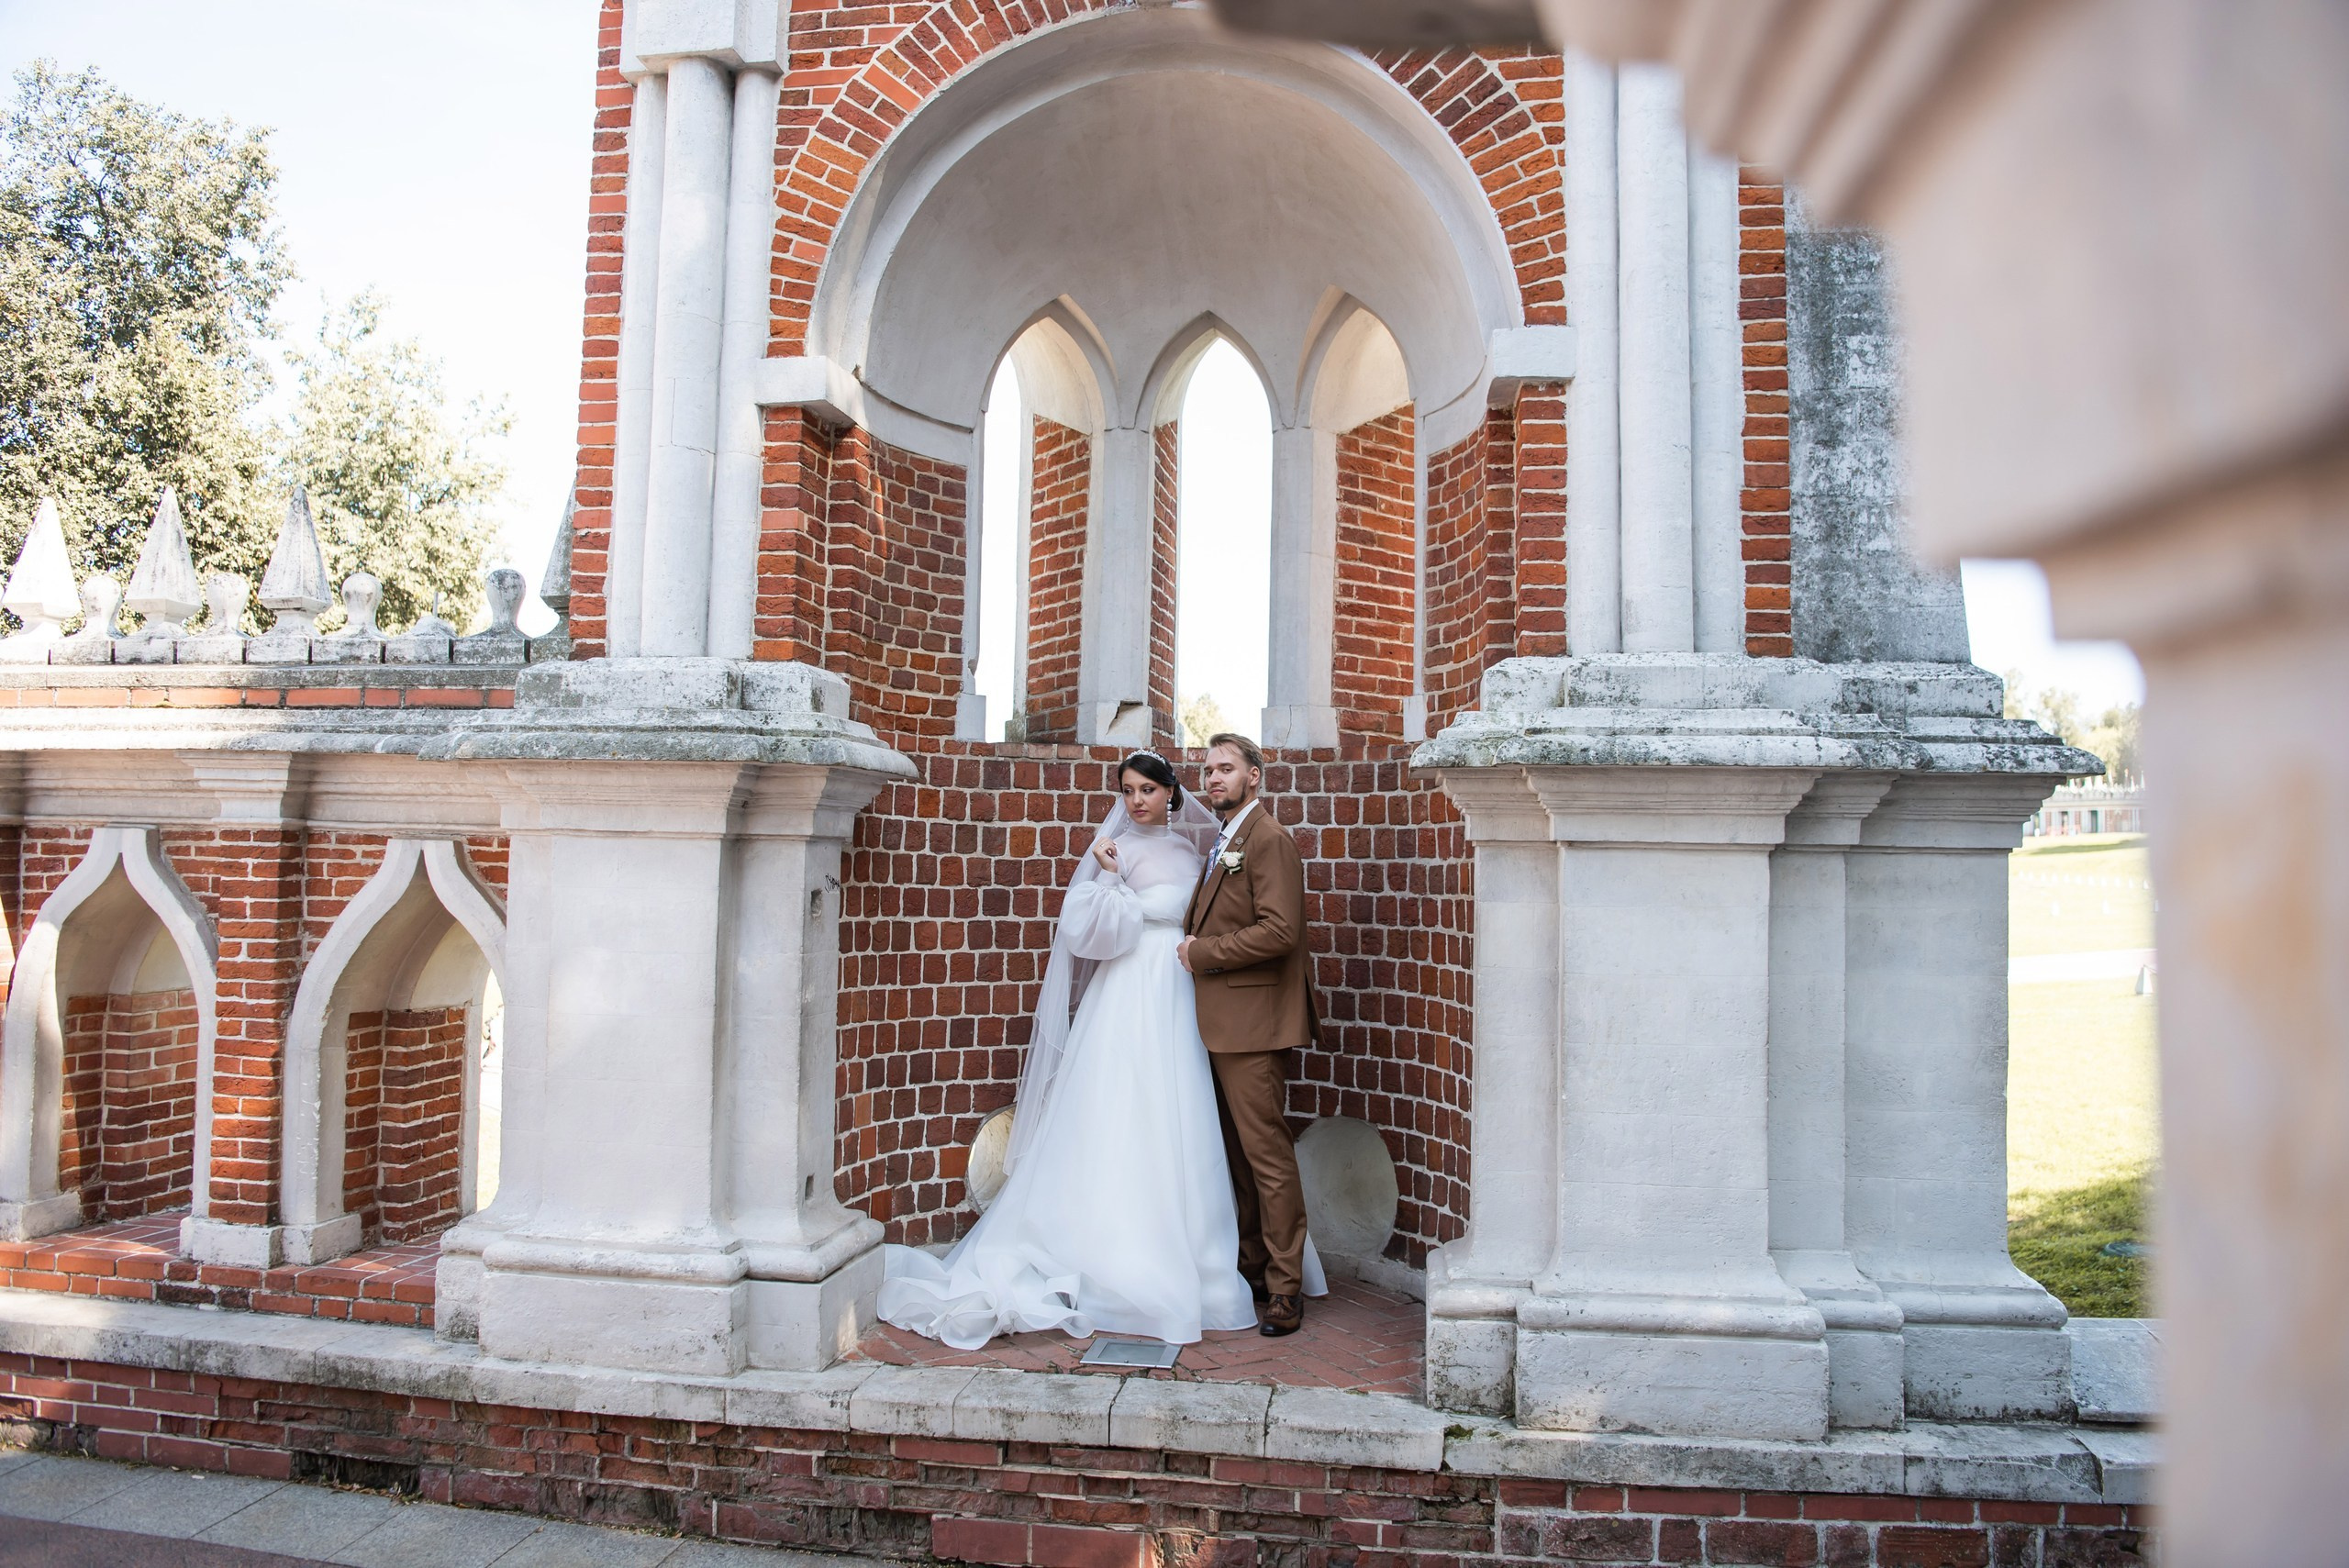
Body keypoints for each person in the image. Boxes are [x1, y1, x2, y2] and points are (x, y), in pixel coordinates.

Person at [875, 751, 1260, 1350]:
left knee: (1176, 1113)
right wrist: (1109, 875)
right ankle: (1110, 1253)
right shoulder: (1112, 850)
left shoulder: (1195, 852)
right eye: (1128, 790)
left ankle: (1197, 1256)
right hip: (1128, 994)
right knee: (1119, 1110)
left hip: (1179, 993)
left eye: (1148, 790)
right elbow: (1082, 933)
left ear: (1170, 794)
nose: (1137, 801)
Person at [1179, 732, 1321, 1337]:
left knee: (1267, 1158)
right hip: (1219, 1026)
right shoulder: (1223, 842)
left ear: (1254, 776)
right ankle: (1255, 1267)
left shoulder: (1269, 840)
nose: (1213, 777)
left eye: (1226, 768)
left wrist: (1201, 952)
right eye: (1208, 769)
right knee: (1237, 1160)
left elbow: (1280, 931)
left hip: (1252, 1027)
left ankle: (1286, 1289)